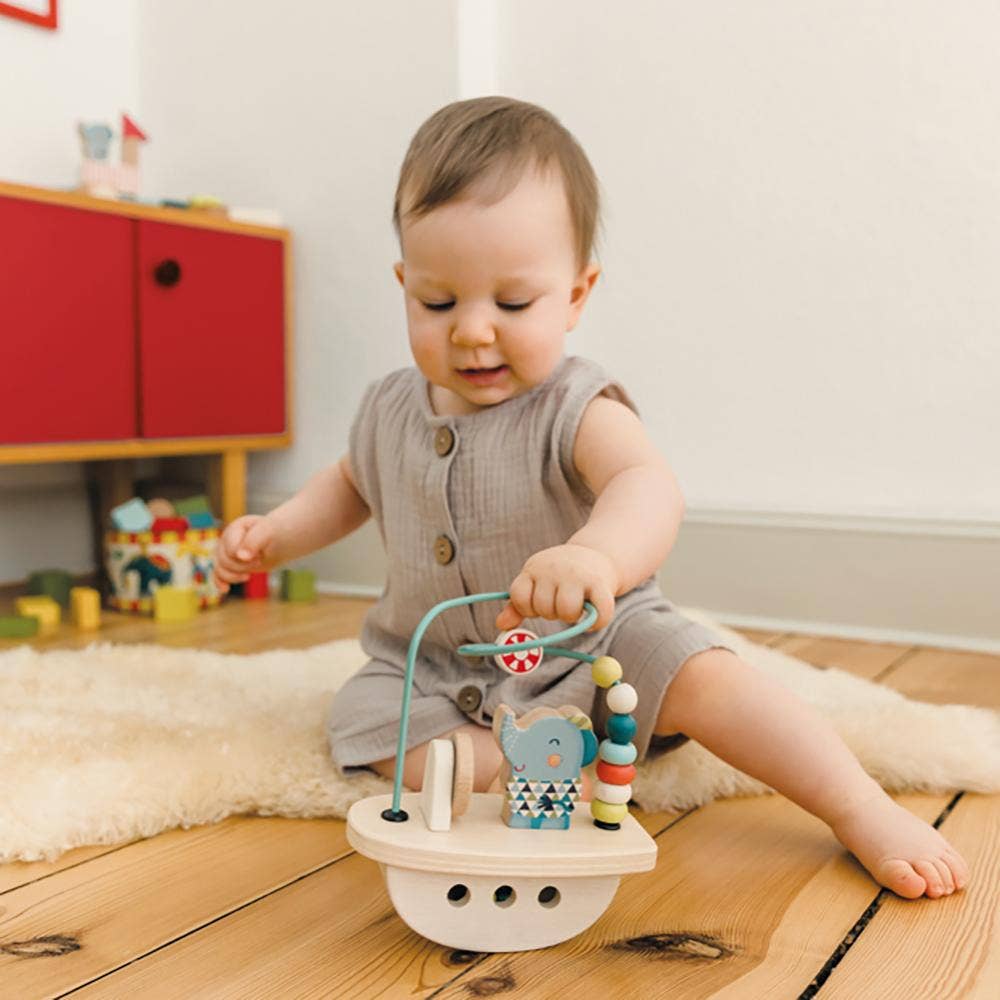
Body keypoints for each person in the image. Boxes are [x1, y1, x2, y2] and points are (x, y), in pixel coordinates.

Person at [214, 96, 967, 900]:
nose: (473, 330)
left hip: (593, 648)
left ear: (576, 294)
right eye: (438, 303)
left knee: (707, 676)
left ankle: (856, 804)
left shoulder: (575, 406)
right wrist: (278, 534)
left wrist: (595, 557)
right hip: (434, 667)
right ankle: (526, 769)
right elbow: (348, 484)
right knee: (363, 719)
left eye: (513, 304)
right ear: (405, 285)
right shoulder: (387, 408)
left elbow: (648, 485)